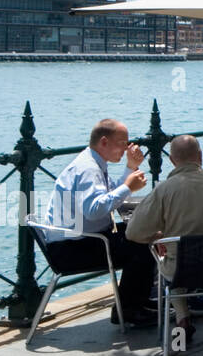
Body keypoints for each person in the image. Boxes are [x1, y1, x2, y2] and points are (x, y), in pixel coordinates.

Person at [125, 135, 203, 342]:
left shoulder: (163, 189)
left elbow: (133, 232)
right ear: (200, 156)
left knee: (173, 253)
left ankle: (182, 319)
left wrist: (158, 236)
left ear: (172, 160)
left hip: (182, 268)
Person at [42, 119, 155, 328]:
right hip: (72, 249)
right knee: (141, 245)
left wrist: (130, 168)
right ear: (104, 142)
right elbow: (94, 210)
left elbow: (110, 194)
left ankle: (136, 302)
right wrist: (128, 188)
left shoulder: (93, 163)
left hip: (80, 240)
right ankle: (129, 309)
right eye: (123, 143)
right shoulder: (88, 169)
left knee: (145, 232)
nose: (126, 148)